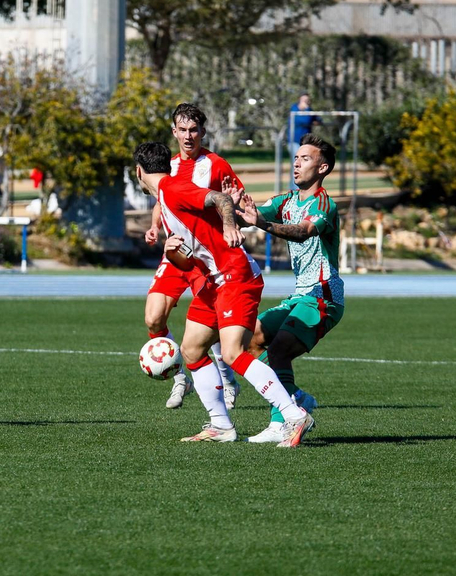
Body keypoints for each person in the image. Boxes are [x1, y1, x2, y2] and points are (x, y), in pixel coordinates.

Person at [132, 141, 314, 447]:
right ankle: (220, 425)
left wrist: (230, 226)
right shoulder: (166, 197)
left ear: (139, 172)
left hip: (234, 276)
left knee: (232, 353)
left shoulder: (173, 189)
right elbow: (191, 254)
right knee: (191, 350)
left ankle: (293, 414)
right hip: (213, 281)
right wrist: (173, 252)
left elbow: (218, 199)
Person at [227, 136, 338, 443]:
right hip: (301, 296)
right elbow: (250, 216)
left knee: (277, 352)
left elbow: (303, 233)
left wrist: (261, 224)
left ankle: (281, 421)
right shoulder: (285, 201)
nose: (297, 163)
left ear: (322, 168)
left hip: (323, 296)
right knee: (252, 340)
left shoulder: (324, 205)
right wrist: (230, 205)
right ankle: (295, 398)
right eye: (296, 158)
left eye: (305, 158)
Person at [143, 103, 242, 411]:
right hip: (175, 254)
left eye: (194, 130)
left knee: (207, 322)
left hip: (205, 258)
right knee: (153, 317)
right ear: (174, 132)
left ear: (202, 132)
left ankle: (226, 378)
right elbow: (164, 200)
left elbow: (234, 196)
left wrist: (233, 210)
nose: (188, 136)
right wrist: (154, 227)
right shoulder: (167, 166)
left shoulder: (216, 165)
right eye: (182, 130)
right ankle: (179, 378)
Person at [287, 93, 319, 160]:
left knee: (306, 162)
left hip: (306, 141)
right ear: (299, 100)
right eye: (304, 100)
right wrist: (307, 109)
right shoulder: (294, 109)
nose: (306, 102)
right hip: (294, 140)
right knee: (297, 162)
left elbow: (318, 120)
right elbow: (305, 121)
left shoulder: (310, 110)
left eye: (307, 100)